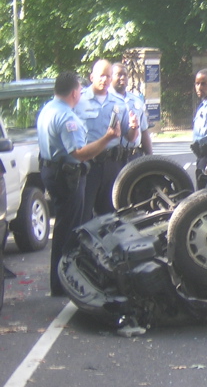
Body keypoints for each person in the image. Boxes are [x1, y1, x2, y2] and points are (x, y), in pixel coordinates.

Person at [37, 71, 121, 296]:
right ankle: (63, 282)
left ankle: (60, 280)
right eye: (80, 91)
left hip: (52, 170)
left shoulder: (48, 108)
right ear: (75, 92)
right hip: (67, 176)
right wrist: (107, 138)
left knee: (65, 225)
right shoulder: (67, 117)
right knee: (69, 230)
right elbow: (80, 153)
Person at [74, 59, 139, 223]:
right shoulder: (79, 102)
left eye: (108, 76)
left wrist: (134, 127)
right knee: (84, 215)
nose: (105, 80)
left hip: (112, 165)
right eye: (101, 76)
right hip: (88, 166)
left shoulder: (119, 104)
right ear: (91, 77)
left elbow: (130, 137)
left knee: (111, 215)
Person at [111, 62, 152, 161]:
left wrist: (150, 156)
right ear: (110, 77)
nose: (122, 78)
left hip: (135, 155)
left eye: (125, 75)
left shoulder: (136, 101)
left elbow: (144, 130)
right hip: (114, 158)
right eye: (119, 74)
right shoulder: (106, 101)